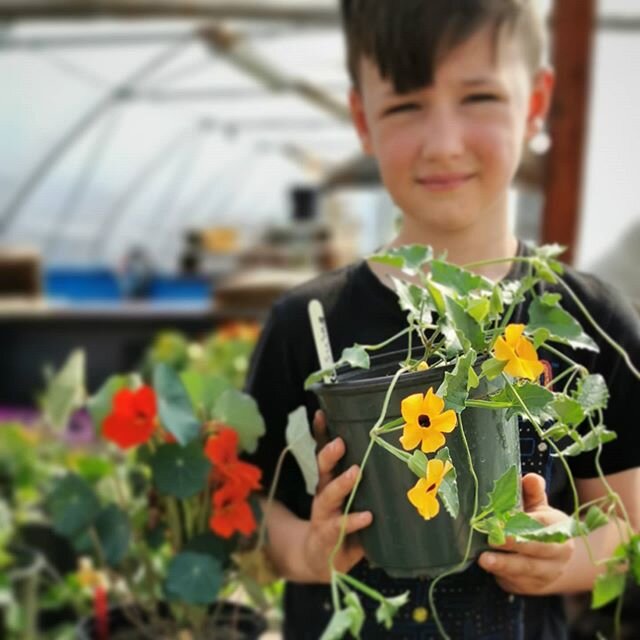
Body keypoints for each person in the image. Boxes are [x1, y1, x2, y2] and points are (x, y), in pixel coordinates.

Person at [245, 1, 640, 638]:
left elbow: (632, 530)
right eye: (405, 105)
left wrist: (571, 558)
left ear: (536, 103)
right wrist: (304, 551)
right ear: (362, 120)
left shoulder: (591, 323)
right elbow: (248, 511)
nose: (444, 142)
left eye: (479, 97)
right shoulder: (309, 323)